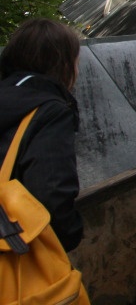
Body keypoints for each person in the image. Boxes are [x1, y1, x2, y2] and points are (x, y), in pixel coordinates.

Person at [0, 18, 84, 253]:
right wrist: (70, 234)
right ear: (63, 64)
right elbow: (51, 191)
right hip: (16, 251)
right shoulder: (50, 111)